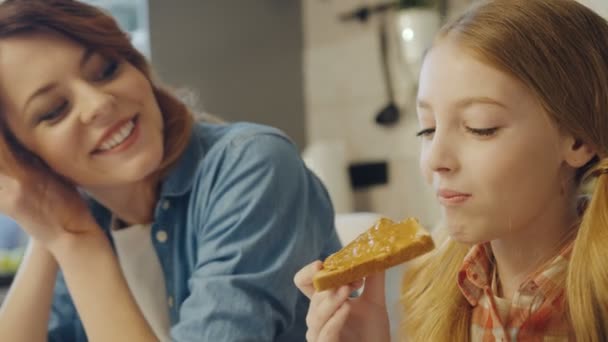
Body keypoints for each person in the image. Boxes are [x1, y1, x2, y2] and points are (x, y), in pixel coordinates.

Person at [0, 0, 341, 341]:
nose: (99, 103)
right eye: (54, 110)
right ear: (24, 156)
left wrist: (76, 245)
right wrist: (50, 224)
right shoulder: (87, 217)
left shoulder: (253, 164)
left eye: (106, 70)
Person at [295, 0, 608, 340]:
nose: (434, 159)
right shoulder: (428, 292)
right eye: (427, 129)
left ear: (578, 140)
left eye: (479, 127)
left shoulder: (596, 310)